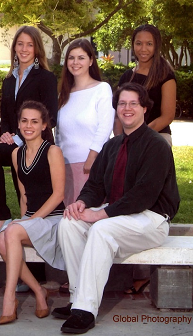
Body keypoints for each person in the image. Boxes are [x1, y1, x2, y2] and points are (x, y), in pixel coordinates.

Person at [52, 82, 179, 334]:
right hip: (120, 215)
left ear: (144, 108)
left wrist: (100, 214)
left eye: (133, 103)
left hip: (151, 219)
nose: (127, 108)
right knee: (69, 223)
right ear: (116, 109)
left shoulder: (156, 146)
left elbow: (143, 195)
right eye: (122, 103)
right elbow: (95, 185)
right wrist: (82, 202)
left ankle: (86, 311)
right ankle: (78, 299)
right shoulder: (112, 146)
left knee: (102, 229)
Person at [0, 25, 58, 237]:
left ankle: (27, 222)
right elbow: (5, 117)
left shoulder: (45, 78)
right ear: (14, 47)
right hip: (14, 141)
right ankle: (1, 214)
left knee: (22, 176)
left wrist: (22, 136)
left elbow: (51, 116)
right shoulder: (9, 80)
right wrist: (5, 134)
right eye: (20, 44)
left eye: (29, 45)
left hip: (37, 145)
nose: (24, 49)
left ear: (36, 49)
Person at [116, 24, 177, 294]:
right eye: (138, 43)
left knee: (150, 206)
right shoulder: (127, 76)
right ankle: (130, 270)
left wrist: (140, 136)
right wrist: (119, 142)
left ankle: (146, 272)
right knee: (127, 202)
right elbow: (120, 114)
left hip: (155, 143)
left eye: (149, 44)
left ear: (157, 45)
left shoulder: (166, 75)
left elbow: (167, 115)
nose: (143, 48)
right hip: (127, 144)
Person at [0, 100, 66, 325]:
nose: (28, 125)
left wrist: (31, 221)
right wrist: (25, 219)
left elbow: (59, 195)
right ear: (18, 124)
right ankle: (38, 291)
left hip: (53, 218)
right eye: (24, 121)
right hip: (32, 219)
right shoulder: (16, 154)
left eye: (34, 121)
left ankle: (9, 298)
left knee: (11, 232)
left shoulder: (53, 151)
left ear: (44, 125)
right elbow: (24, 195)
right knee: (1, 240)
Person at [56, 38, 114, 207]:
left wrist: (91, 158)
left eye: (81, 57)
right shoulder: (63, 95)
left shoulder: (102, 89)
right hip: (65, 167)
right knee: (68, 219)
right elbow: (58, 133)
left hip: (91, 166)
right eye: (71, 58)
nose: (75, 62)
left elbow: (105, 126)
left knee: (86, 216)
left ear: (90, 61)